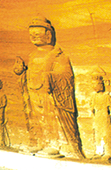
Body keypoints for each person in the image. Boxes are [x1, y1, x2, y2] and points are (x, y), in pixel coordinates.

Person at [23, 17, 84, 158]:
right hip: (34, 91)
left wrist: (50, 77)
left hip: (50, 94)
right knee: (36, 117)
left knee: (50, 116)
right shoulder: (32, 55)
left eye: (37, 34)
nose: (33, 37)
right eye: (31, 34)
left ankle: (55, 143)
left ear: (48, 35)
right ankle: (41, 141)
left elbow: (66, 76)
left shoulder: (57, 55)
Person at [90, 73, 111, 162]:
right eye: (93, 84)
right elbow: (92, 109)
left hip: (105, 117)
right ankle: (99, 152)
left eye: (95, 84)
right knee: (97, 135)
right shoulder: (94, 97)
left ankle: (108, 152)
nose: (94, 86)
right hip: (97, 118)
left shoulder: (106, 96)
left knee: (106, 135)